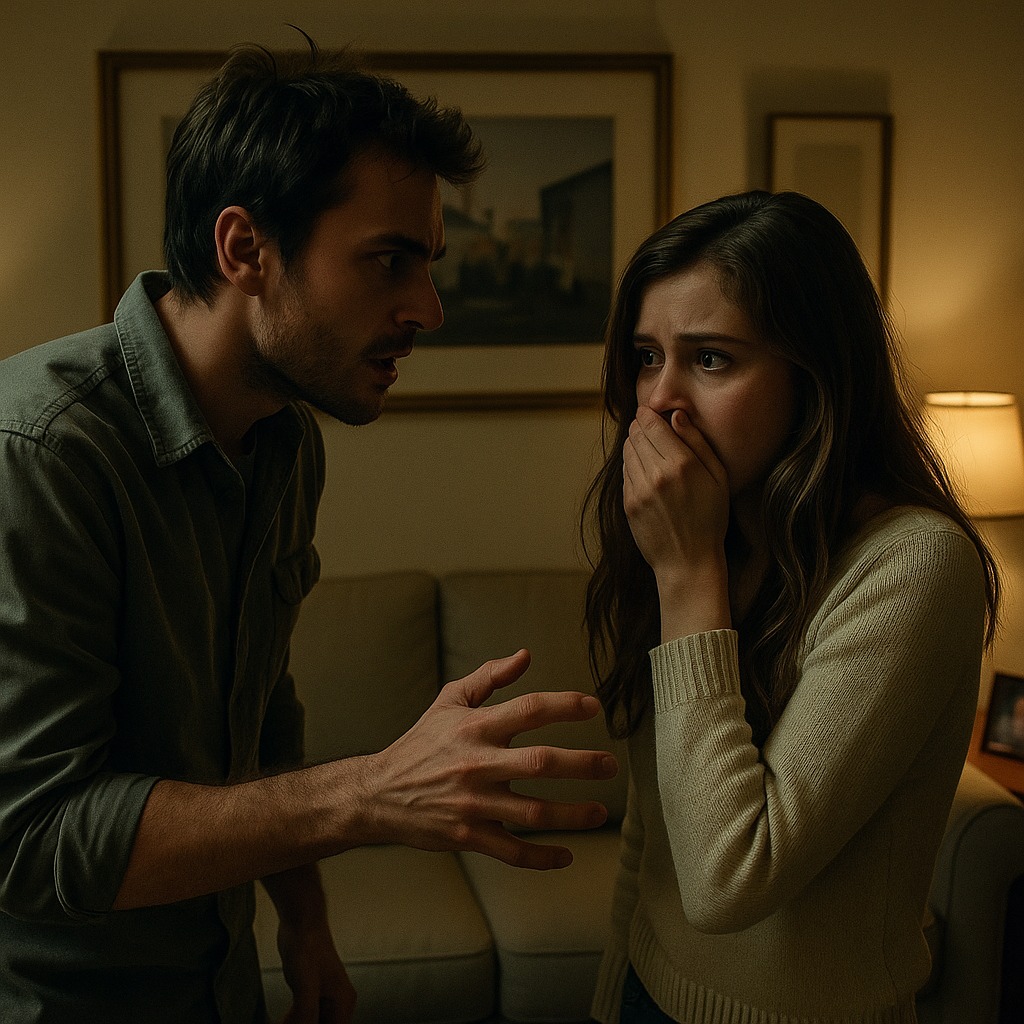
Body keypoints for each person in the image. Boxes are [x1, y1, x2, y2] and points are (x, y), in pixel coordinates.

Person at [0, 40, 618, 1024]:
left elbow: (263, 713)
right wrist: (366, 793)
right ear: (245, 249)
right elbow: (31, 836)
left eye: (430, 264)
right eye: (389, 261)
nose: (429, 309)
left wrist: (304, 921)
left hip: (222, 979)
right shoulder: (40, 453)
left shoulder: (285, 441)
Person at [581, 190, 1000, 1023]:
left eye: (711, 359)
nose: (658, 402)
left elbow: (726, 880)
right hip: (644, 992)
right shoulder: (713, 532)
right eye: (647, 356)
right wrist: (610, 994)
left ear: (813, 378)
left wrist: (687, 572)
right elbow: (657, 830)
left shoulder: (914, 565)